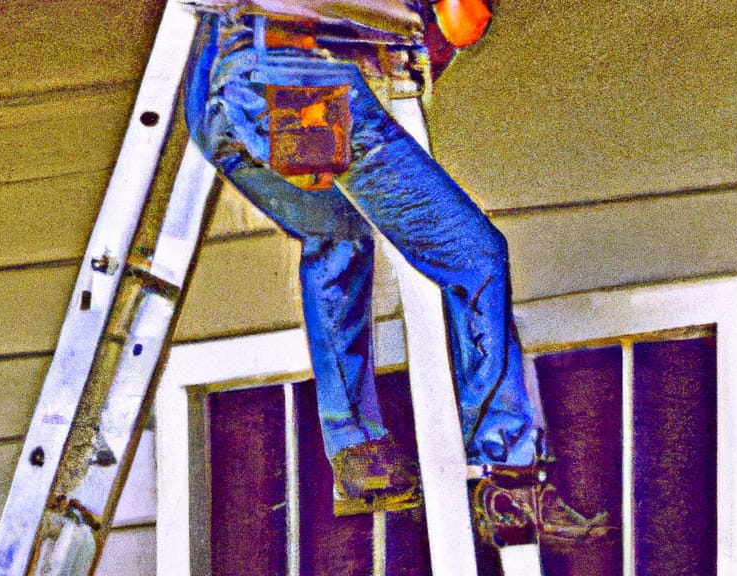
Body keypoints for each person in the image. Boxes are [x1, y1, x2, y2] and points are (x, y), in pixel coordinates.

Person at [181, 0, 614, 547]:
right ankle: (513, 477)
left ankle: (359, 453)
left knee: (337, 236)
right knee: (474, 258)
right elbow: (463, 20)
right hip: (299, 84)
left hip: (217, 101)